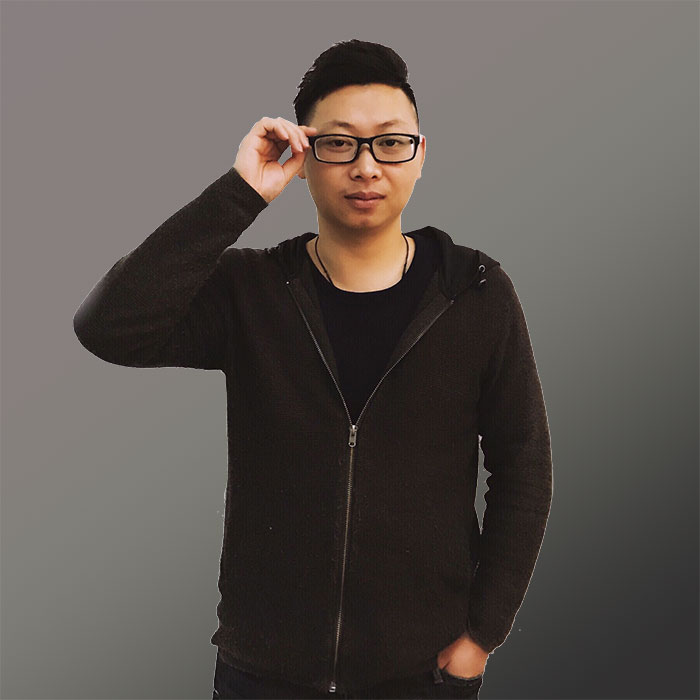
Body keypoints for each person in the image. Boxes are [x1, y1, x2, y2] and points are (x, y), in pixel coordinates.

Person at [73, 39, 553, 699]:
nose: (366, 166)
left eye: (390, 143)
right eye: (339, 144)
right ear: (302, 157)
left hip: (423, 673)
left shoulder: (474, 292)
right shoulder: (252, 291)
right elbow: (108, 326)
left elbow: (524, 469)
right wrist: (240, 193)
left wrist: (481, 638)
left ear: (420, 155)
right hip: (262, 673)